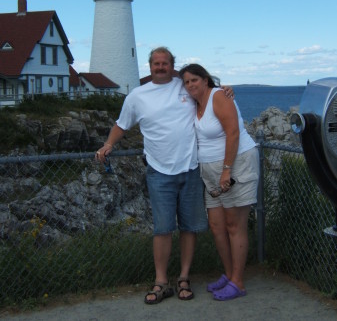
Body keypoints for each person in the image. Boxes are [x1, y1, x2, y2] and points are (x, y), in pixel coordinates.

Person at [96, 47, 233, 304]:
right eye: (156, 63)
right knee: (162, 229)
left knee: (189, 228)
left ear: (173, 66)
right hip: (159, 172)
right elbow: (121, 125)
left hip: (191, 169)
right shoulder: (137, 96)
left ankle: (183, 278)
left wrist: (225, 90)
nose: (161, 67)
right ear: (150, 66)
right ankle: (161, 281)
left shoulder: (185, 87)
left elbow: (208, 92)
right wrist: (109, 144)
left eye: (165, 63)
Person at [179, 63, 259, 301]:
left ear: (206, 80)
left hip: (235, 165)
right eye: (187, 82)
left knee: (235, 226)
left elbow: (233, 132)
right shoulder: (195, 103)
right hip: (210, 172)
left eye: (195, 80)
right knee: (217, 226)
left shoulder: (219, 97)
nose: (191, 85)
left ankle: (238, 282)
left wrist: (226, 170)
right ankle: (229, 274)